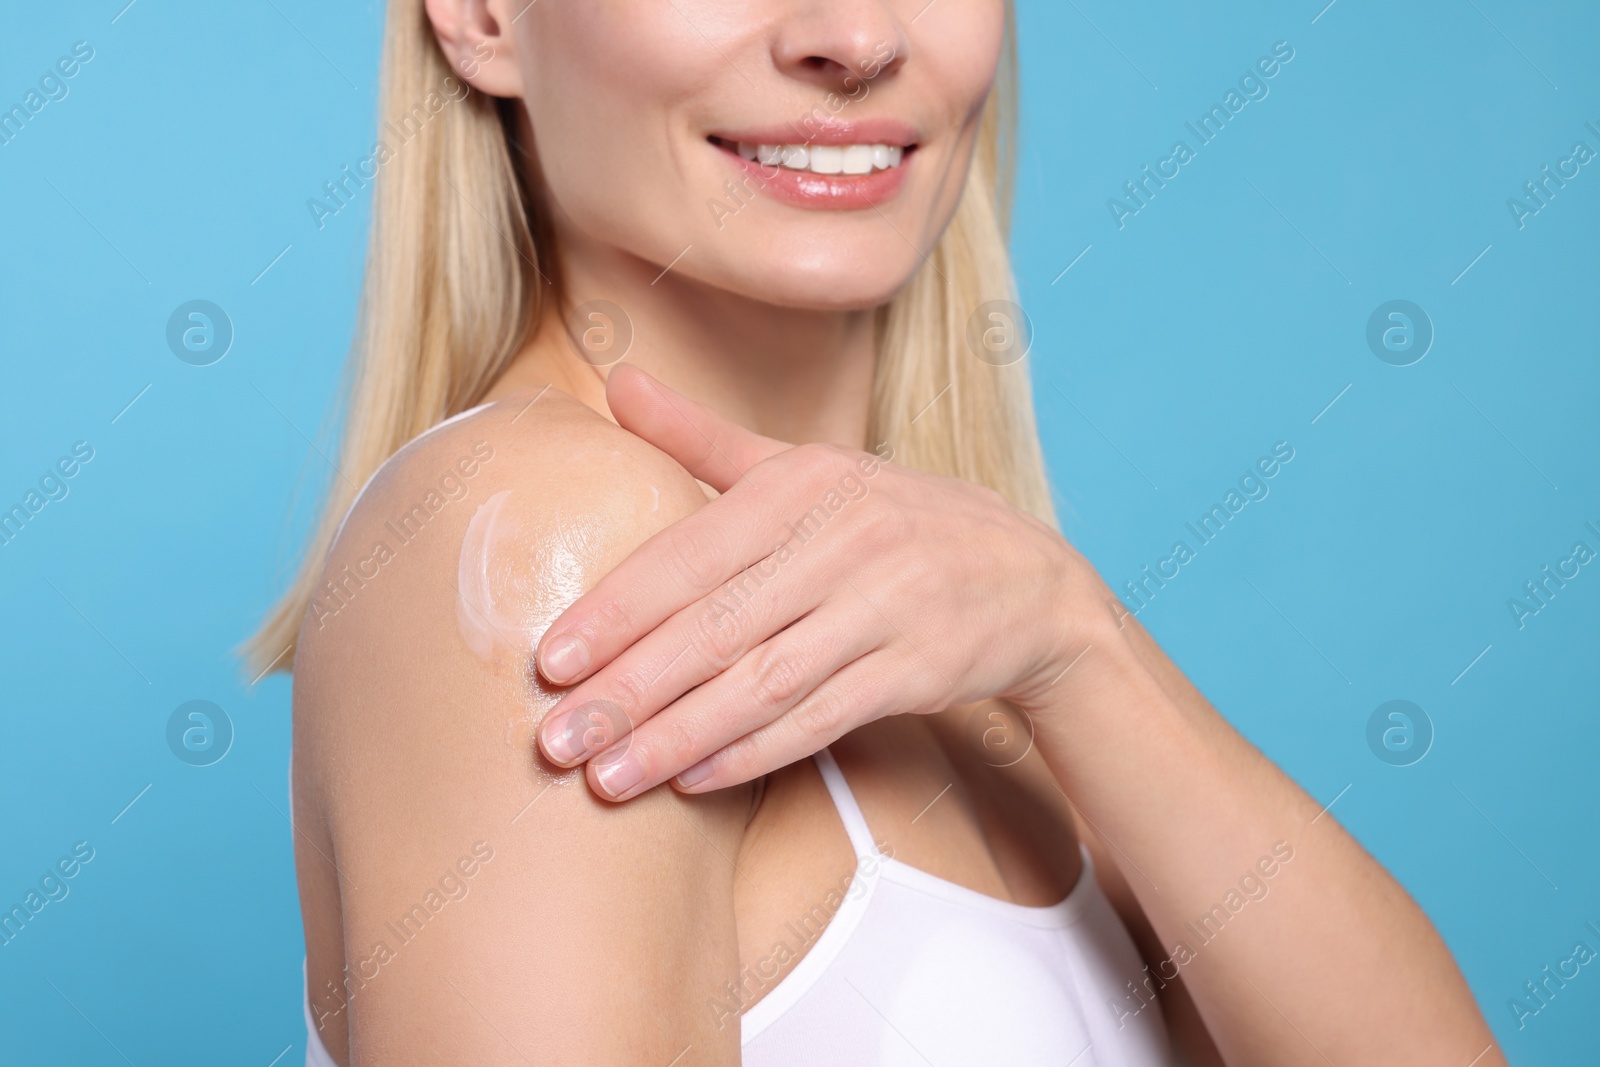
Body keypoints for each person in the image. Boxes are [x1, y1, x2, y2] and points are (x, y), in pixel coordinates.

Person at [248, 1, 1502, 1063]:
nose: (854, 37)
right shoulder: (547, 536)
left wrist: (1081, 644)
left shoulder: (990, 651)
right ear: (479, 15)